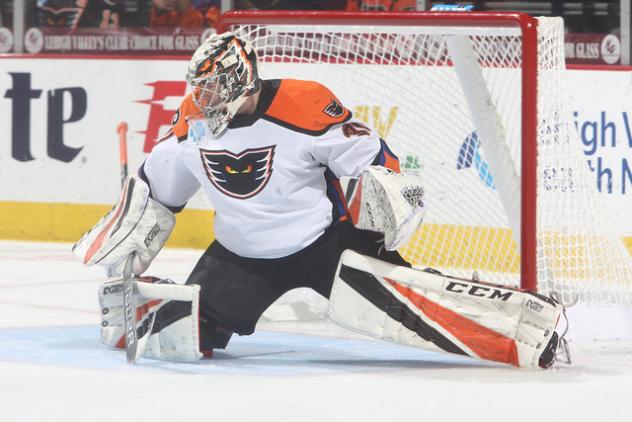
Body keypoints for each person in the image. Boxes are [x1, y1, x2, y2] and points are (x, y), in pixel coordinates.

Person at [74, 32, 567, 368]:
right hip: (240, 257)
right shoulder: (193, 120)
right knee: (175, 335)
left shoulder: (304, 102)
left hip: (324, 242)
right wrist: (130, 239)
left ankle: (524, 330)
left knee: (412, 305)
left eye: (213, 85)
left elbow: (371, 155)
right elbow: (158, 189)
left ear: (241, 75)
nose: (203, 97)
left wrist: (387, 191)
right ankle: (155, 300)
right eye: (199, 87)